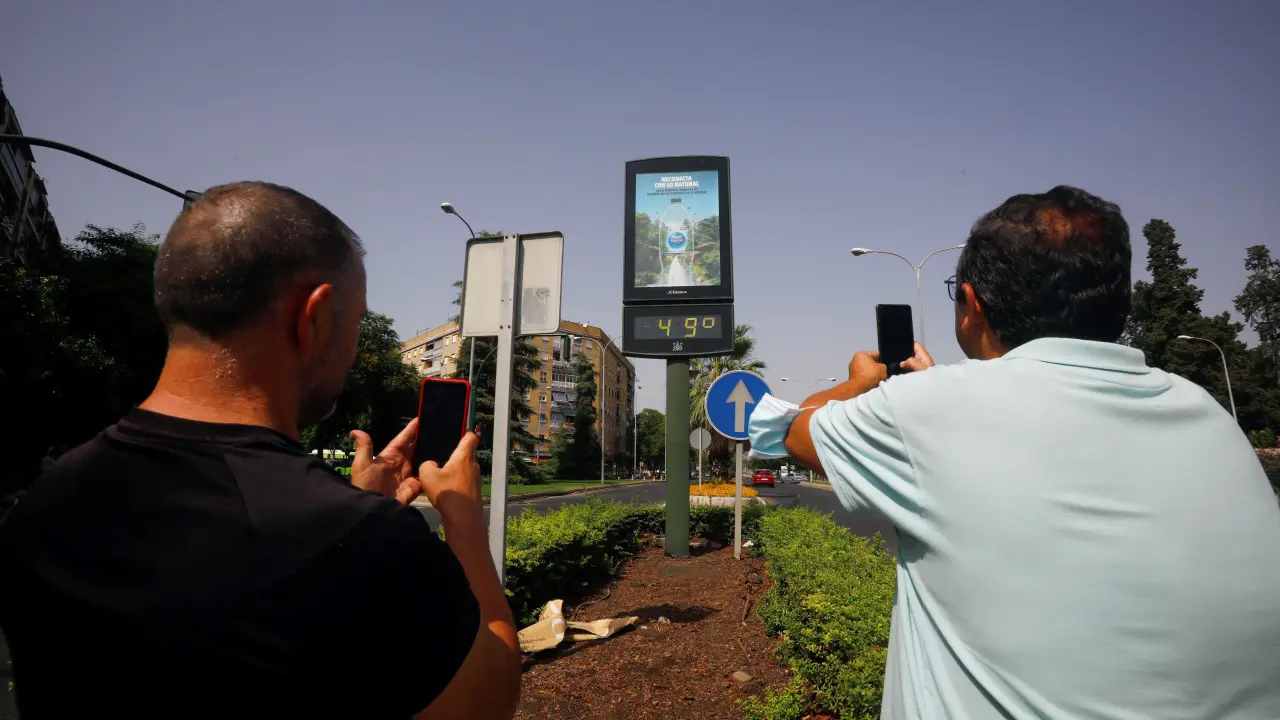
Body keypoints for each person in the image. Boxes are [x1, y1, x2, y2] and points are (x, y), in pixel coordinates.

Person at [751, 186, 1280, 719]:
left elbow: (785, 429)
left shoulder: (932, 410)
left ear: (972, 305)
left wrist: (859, 384)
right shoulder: (1208, 413)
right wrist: (937, 395)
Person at [0, 182, 521, 719]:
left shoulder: (47, 500)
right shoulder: (366, 541)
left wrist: (357, 510)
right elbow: (488, 699)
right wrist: (462, 519)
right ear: (314, 316)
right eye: (357, 321)